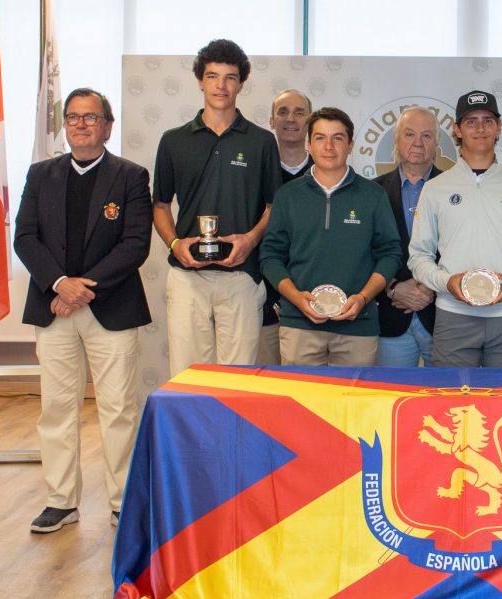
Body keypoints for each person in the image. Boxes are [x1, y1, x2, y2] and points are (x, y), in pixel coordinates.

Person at [14, 88, 152, 533]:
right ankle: (61, 501)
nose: (80, 124)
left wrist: (80, 289)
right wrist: (59, 284)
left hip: (110, 307)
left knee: (117, 409)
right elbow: (25, 238)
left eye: (90, 118)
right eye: (73, 117)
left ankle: (121, 502)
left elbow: (135, 244)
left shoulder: (131, 176)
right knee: (56, 407)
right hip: (53, 307)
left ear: (107, 126)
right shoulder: (40, 175)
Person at [152, 39, 282, 376]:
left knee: (238, 380)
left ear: (241, 83)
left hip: (241, 275)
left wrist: (250, 240)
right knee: (188, 376)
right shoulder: (173, 140)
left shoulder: (261, 141)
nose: (221, 85)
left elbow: (274, 205)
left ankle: (230, 433)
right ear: (199, 80)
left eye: (230, 77)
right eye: (212, 76)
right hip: (187, 277)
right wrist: (175, 244)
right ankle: (192, 433)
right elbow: (161, 205)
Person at [408, 90, 502, 368]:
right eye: (471, 121)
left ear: (499, 127)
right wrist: (446, 283)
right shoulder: (436, 188)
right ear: (457, 130)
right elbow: (419, 257)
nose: (480, 128)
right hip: (453, 315)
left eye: (488, 120)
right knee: (450, 403)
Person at [259, 107, 402, 366]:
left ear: (350, 145)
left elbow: (390, 254)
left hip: (359, 326)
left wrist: (363, 298)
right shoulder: (288, 196)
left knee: (354, 406)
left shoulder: (373, 196)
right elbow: (270, 256)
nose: (328, 146)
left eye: (337, 138)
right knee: (301, 404)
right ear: (308, 144)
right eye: (320, 138)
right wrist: (295, 297)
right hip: (298, 325)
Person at [373, 107, 444, 367]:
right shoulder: (372, 191)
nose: (417, 143)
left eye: (426, 136)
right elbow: (365, 252)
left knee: (445, 401)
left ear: (436, 143)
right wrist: (392, 287)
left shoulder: (454, 189)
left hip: (441, 317)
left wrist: (432, 287)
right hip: (390, 317)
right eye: (409, 134)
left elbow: (464, 247)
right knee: (391, 401)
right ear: (396, 140)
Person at [255, 89, 315, 365]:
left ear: (311, 120)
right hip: (263, 303)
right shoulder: (253, 176)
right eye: (283, 111)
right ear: (271, 120)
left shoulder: (327, 174)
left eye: (299, 112)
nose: (291, 119)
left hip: (314, 304)